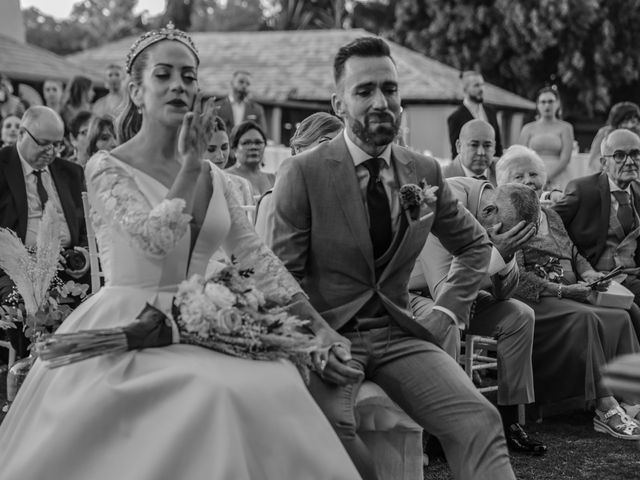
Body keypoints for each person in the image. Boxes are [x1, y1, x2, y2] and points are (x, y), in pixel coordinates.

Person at [0, 26, 361, 480]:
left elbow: (257, 259)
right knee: (212, 397)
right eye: (164, 75)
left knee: (275, 384)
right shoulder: (106, 166)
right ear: (136, 89)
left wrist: (321, 329)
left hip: (208, 319)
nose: (178, 86)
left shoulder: (220, 179)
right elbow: (153, 243)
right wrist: (190, 168)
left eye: (188, 77)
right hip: (131, 324)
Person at [269, 37, 515, 480]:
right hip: (328, 335)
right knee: (333, 436)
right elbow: (281, 277)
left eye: (390, 89)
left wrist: (446, 313)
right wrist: (320, 336)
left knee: (480, 421)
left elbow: (476, 247)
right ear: (338, 103)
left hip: (402, 334)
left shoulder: (423, 171)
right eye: (364, 92)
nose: (381, 102)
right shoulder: (301, 173)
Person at [496, 145, 640, 439]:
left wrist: (588, 273)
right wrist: (562, 289)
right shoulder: (503, 218)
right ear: (502, 181)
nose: (528, 180)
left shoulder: (551, 213)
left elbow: (573, 252)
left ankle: (633, 400)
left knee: (619, 317)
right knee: (584, 319)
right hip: (534, 299)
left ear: (544, 177)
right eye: (518, 175)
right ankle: (605, 406)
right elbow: (515, 276)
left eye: (533, 173)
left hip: (571, 291)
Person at [409, 178, 544, 454]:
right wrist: (498, 254)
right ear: (489, 212)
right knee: (447, 321)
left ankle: (509, 424)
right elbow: (444, 293)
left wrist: (505, 255)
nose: (504, 240)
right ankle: (439, 430)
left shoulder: (502, 207)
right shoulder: (443, 205)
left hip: (456, 290)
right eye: (505, 235)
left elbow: (504, 293)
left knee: (520, 316)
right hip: (407, 294)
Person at [0, 106, 88, 358]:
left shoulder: (71, 173)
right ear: (21, 134)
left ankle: (84, 368)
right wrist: (24, 258)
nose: (50, 151)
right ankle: (34, 368)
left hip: (68, 264)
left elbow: (86, 227)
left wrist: (83, 253)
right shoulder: (2, 166)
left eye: (57, 145)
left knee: (106, 296)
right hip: (15, 266)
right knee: (25, 305)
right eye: (44, 143)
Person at [554, 129, 640, 308]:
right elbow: (549, 223)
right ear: (603, 162)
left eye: (635, 154)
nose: (630, 162)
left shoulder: (638, 191)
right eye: (619, 155)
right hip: (600, 281)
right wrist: (581, 268)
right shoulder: (582, 190)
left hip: (634, 275)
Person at [255, 112, 343, 241]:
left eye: (340, 145)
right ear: (298, 148)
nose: (335, 152)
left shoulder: (345, 200)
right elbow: (261, 255)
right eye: (325, 142)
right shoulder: (273, 200)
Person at [518, 86, 574, 190]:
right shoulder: (528, 128)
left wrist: (547, 178)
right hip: (532, 178)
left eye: (550, 101)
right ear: (538, 105)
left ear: (557, 104)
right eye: (543, 102)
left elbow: (565, 158)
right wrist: (534, 178)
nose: (547, 105)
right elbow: (522, 157)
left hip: (559, 177)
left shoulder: (566, 127)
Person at [447, 70, 503, 158]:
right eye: (476, 85)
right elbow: (456, 153)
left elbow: (498, 146)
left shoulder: (491, 112)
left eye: (482, 84)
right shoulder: (455, 118)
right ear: (465, 89)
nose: (481, 89)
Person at [204, 116, 253, 206]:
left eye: (224, 147)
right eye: (211, 149)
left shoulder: (242, 185)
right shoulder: (186, 185)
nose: (220, 156)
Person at [588, 102, 640, 174]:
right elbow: (594, 160)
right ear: (618, 120)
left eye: (636, 117)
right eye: (628, 118)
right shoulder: (605, 132)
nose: (633, 121)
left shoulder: (637, 133)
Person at [226, 120, 275, 196]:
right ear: (234, 148)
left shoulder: (273, 179)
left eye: (258, 142)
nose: (253, 147)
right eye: (246, 143)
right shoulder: (225, 177)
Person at [443, 118, 498, 184]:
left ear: (494, 147)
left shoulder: (504, 172)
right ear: (459, 146)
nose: (481, 152)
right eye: (474, 145)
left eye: (487, 146)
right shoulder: (442, 178)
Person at [215, 70, 267, 135]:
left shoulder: (257, 110)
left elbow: (262, 134)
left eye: (248, 84)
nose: (244, 86)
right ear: (232, 83)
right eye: (241, 82)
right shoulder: (217, 108)